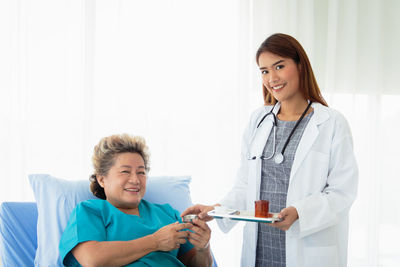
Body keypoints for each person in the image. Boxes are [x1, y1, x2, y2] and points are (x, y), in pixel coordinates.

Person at [182, 33, 358, 267]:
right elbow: (246, 186)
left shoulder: (331, 122)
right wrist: (215, 210)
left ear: (300, 65)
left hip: (307, 249)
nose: (271, 78)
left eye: (279, 66)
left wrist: (300, 212)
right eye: (264, 71)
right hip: (261, 249)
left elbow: (342, 192)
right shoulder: (259, 120)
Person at [59, 134, 213, 267]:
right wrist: (155, 241)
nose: (135, 180)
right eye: (125, 171)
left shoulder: (167, 213)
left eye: (141, 172)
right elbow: (92, 259)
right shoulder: (90, 211)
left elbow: (196, 264)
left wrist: (203, 248)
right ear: (101, 179)